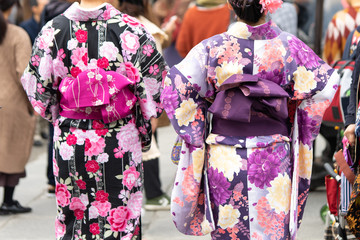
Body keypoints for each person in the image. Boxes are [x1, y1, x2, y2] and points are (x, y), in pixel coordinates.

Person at [161, 0, 339, 239]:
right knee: (272, 228)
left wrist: (197, 130)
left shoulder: (213, 47)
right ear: (269, 5)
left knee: (230, 230)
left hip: (225, 156)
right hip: (274, 154)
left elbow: (176, 87)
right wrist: (296, 115)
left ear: (230, 5)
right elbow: (326, 86)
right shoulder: (289, 46)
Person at [21, 1, 166, 239]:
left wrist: (61, 115)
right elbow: (155, 85)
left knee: (74, 214)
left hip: (71, 139)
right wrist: (141, 118)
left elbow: (38, 89)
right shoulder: (131, 29)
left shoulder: (53, 30)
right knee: (122, 215)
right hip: (120, 137)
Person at [118, 0, 175, 210]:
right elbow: (155, 74)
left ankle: (135, 195)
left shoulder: (114, 25)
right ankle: (153, 194)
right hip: (143, 100)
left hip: (117, 101)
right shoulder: (147, 29)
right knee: (150, 146)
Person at [0, 0, 35, 215]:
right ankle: (8, 201)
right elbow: (24, 73)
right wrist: (34, 103)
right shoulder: (17, 34)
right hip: (11, 103)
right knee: (12, 152)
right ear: (12, 7)